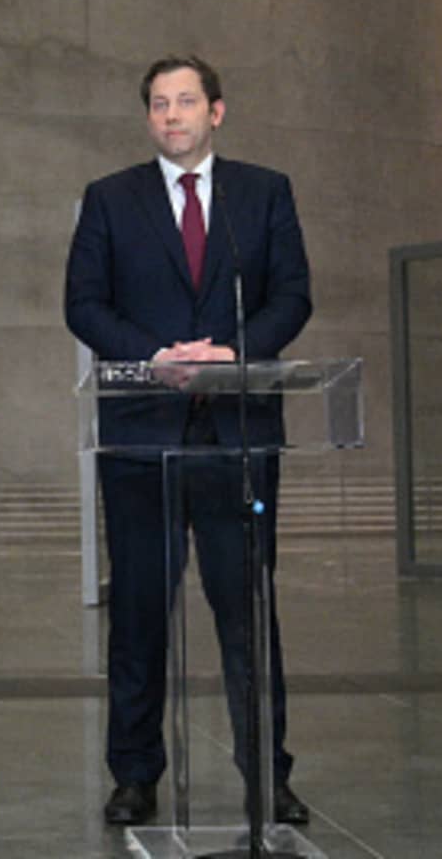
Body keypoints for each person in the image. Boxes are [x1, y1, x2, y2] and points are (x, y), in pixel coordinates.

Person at [65, 55, 313, 828]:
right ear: (148, 118)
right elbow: (83, 303)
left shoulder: (264, 193)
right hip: (142, 437)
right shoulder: (110, 199)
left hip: (237, 434)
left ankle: (267, 775)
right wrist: (155, 358)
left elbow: (292, 295)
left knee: (246, 614)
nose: (171, 115)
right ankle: (135, 775)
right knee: (139, 613)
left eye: (186, 101)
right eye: (159, 104)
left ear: (217, 111)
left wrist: (231, 354)